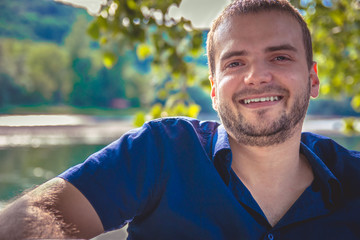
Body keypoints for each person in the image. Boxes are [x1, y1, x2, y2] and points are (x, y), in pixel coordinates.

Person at [1, 0, 360, 239]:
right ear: (215, 89)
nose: (255, 76)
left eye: (280, 57)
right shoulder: (160, 151)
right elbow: (31, 213)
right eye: (235, 63)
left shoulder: (354, 179)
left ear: (313, 78)